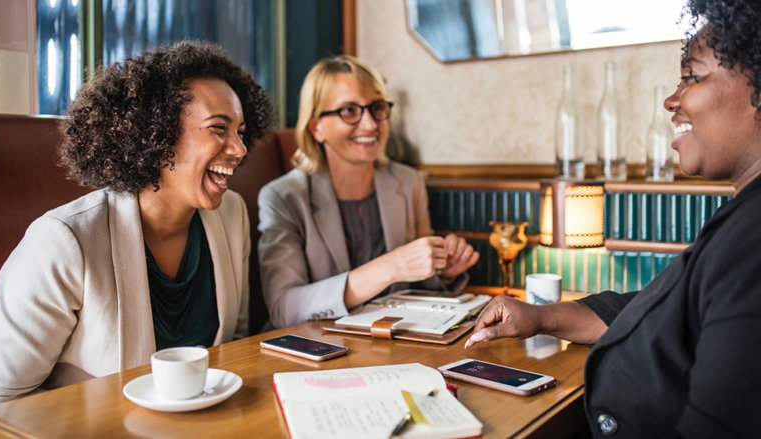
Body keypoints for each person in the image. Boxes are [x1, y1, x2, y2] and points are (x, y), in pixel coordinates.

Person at [465, 1, 761, 437]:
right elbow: (663, 311)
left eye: (691, 77)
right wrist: (541, 317)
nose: (671, 99)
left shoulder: (753, 242)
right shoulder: (743, 218)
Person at [0, 41, 274, 403]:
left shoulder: (231, 214)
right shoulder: (63, 242)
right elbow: (1, 399)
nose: (240, 148)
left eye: (240, 131)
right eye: (219, 128)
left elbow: (233, 344)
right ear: (156, 134)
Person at [258, 55, 479, 328]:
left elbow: (420, 288)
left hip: (395, 342)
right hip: (317, 350)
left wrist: (444, 271)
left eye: (377, 107)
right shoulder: (283, 197)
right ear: (316, 128)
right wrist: (391, 266)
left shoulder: (408, 183)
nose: (371, 125)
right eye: (349, 111)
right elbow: (284, 309)